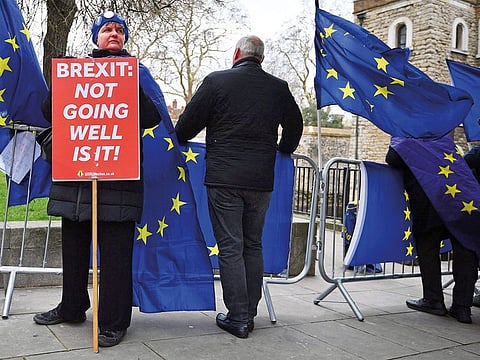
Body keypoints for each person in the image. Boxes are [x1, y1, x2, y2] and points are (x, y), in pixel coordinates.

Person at [32, 11, 161, 347]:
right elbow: (49, 111)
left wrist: (127, 83)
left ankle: (114, 321)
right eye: (107, 29)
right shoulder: (75, 70)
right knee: (73, 251)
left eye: (119, 29)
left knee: (116, 257)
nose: (114, 33)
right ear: (96, 37)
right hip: (76, 179)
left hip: (118, 182)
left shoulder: (137, 73)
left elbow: (151, 118)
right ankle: (71, 306)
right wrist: (65, 79)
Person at [175, 35, 303, 338]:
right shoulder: (278, 87)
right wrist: (283, 148)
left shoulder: (217, 82)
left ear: (236, 54)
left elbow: (185, 128)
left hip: (224, 178)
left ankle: (238, 317)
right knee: (253, 244)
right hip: (260, 179)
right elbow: (295, 126)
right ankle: (250, 312)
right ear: (261, 57)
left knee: (231, 246)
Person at [386, 142, 478, 323]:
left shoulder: (405, 137)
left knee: (428, 245)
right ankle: (462, 307)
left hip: (430, 198)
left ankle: (433, 300)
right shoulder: (443, 137)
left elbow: (392, 158)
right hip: (460, 197)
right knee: (465, 247)